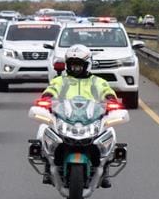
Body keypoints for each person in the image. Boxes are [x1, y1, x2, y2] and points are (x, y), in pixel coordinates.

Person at [39, 44, 118, 188]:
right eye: (72, 65)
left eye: (79, 65)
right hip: (65, 117)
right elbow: (52, 89)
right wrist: (47, 97)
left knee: (110, 131)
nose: (75, 68)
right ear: (67, 65)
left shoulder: (97, 81)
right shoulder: (61, 80)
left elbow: (106, 91)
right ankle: (48, 165)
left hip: (91, 118)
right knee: (43, 127)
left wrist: (111, 99)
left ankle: (105, 168)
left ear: (87, 65)